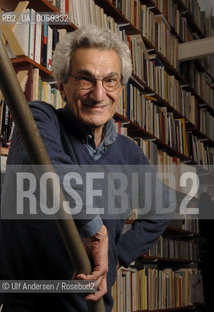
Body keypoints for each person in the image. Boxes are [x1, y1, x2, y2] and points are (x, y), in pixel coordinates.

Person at [0, 24, 171, 311]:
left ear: (120, 88)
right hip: (28, 303)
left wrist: (118, 256)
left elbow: (163, 207)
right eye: (84, 79)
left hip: (94, 306)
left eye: (110, 80)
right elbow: (50, 169)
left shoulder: (129, 153)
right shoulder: (38, 118)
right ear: (62, 85)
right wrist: (96, 230)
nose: (98, 93)